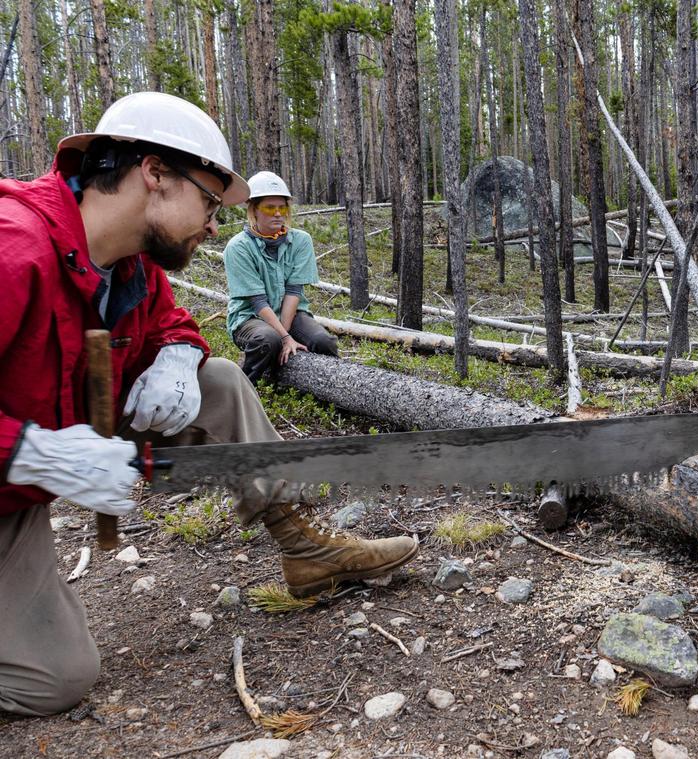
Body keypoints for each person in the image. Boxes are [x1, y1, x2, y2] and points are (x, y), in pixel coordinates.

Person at [0, 92, 417, 717]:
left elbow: (175, 324)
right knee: (55, 679)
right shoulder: (15, 250)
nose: (216, 223)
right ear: (155, 174)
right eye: (208, 199)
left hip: (53, 450)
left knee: (216, 379)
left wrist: (174, 357)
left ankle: (305, 546)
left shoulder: (133, 262)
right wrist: (34, 455)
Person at [223, 171, 338, 382]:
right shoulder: (238, 247)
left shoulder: (301, 241)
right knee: (268, 340)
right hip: (250, 317)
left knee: (324, 342)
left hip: (290, 313)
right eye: (269, 207)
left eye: (282, 207)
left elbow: (294, 291)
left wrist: (285, 335)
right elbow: (257, 301)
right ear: (254, 209)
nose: (278, 213)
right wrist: (284, 338)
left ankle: (328, 389)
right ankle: (246, 385)